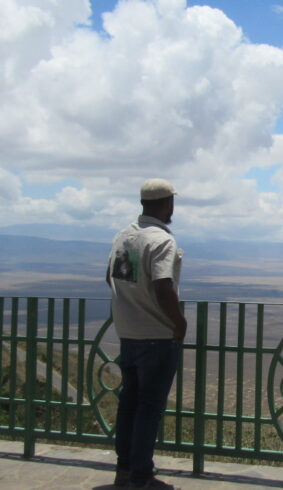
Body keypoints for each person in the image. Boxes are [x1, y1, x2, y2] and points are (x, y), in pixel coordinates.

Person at [106, 178, 186, 489]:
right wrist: (178, 323)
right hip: (157, 336)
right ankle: (141, 476)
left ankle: (124, 469)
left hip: (128, 332)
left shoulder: (123, 237)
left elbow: (110, 277)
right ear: (168, 204)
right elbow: (163, 285)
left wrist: (131, 305)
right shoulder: (161, 240)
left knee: (129, 403)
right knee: (149, 407)